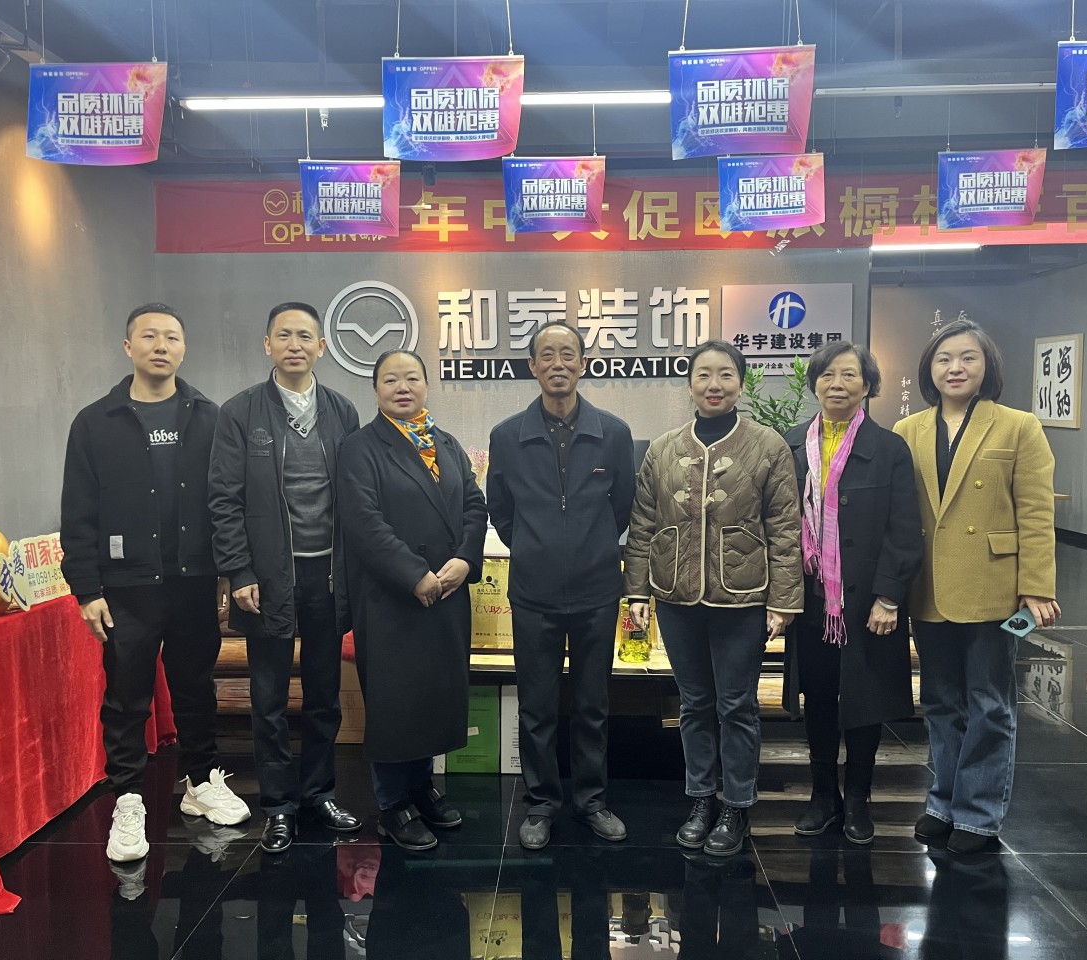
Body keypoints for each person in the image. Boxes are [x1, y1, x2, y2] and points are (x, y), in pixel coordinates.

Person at [61, 303, 249, 865]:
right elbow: (78, 512)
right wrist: (86, 590)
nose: (160, 345)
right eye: (149, 336)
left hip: (194, 581)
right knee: (126, 697)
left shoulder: (210, 418)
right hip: (126, 586)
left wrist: (227, 568)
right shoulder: (95, 422)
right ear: (129, 347)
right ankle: (128, 800)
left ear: (184, 349)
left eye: (171, 337)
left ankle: (201, 781)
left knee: (195, 688)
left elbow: (228, 501)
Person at [625, 340, 803, 857]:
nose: (714, 384)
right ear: (690, 384)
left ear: (741, 384)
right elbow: (642, 523)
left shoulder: (767, 446)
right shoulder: (663, 449)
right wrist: (636, 591)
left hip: (742, 599)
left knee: (737, 705)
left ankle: (737, 806)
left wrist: (783, 599)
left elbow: (785, 527)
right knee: (695, 704)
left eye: (726, 374)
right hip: (676, 597)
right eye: (704, 374)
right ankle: (701, 799)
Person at [894, 318, 1059, 855]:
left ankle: (979, 814)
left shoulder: (1018, 426)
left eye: (967, 358)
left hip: (993, 584)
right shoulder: (908, 430)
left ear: (987, 366)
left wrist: (1037, 586)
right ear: (929, 369)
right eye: (944, 359)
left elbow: (1036, 513)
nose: (955, 368)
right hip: (929, 585)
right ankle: (943, 802)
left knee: (989, 702)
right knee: (941, 701)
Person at [208, 301, 363, 854]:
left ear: (321, 347)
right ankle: (278, 806)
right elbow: (223, 499)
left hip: (328, 574)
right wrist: (238, 570)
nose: (294, 345)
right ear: (267, 345)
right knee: (269, 696)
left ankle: (319, 793)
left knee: (324, 693)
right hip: (268, 575)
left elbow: (357, 495)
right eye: (284, 335)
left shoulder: (342, 410)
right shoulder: (241, 412)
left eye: (305, 336)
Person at [487, 321, 636, 850]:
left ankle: (592, 800)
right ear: (532, 366)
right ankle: (542, 803)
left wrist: (590, 547)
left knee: (593, 704)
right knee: (537, 705)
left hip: (597, 592)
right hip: (534, 594)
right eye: (546, 355)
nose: (558, 363)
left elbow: (623, 507)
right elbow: (500, 510)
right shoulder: (507, 436)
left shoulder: (613, 433)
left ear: (582, 364)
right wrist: (535, 546)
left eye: (567, 354)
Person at [337, 350, 487, 852]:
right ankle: (392, 803)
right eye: (390, 380)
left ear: (425, 384)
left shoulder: (445, 443)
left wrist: (465, 559)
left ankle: (422, 788)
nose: (402, 387)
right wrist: (412, 574)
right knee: (395, 701)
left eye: (411, 378)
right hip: (392, 597)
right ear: (375, 389)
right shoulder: (360, 447)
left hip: (447, 590)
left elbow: (474, 504)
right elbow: (363, 521)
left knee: (432, 698)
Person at [783, 341, 923, 844]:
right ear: (814, 383)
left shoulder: (889, 448)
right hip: (811, 599)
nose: (836, 384)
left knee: (865, 698)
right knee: (818, 695)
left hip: (868, 602)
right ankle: (823, 796)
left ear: (867, 385)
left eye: (849, 375)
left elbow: (904, 528)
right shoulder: (792, 445)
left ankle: (859, 799)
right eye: (827, 375)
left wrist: (889, 596)